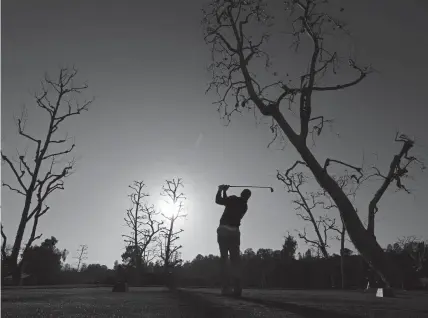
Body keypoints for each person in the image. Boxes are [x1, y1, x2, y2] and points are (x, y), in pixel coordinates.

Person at [215, 184, 251, 297]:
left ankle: (226, 288)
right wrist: (225, 192)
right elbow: (227, 202)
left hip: (224, 230)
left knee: (224, 258)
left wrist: (221, 190)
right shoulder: (245, 206)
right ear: (248, 197)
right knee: (235, 260)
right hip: (235, 232)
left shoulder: (234, 199)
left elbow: (219, 201)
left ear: (241, 194)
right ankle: (237, 289)